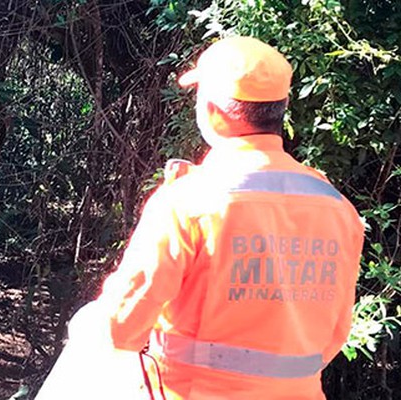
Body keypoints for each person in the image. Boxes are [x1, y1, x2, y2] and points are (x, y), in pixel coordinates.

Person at [36, 36, 364, 400]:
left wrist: (85, 325)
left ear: (211, 110)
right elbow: (336, 334)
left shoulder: (189, 200)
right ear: (281, 108)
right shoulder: (336, 207)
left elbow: (120, 326)